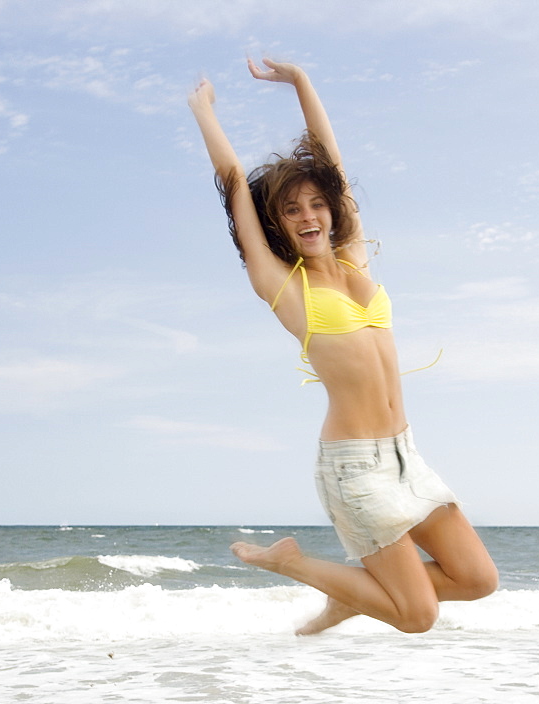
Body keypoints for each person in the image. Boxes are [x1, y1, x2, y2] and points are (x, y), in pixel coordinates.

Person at [188, 57, 497, 634]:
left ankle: (354, 594)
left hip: (406, 455)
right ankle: (293, 563)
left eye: (315, 204)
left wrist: (302, 82)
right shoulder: (283, 286)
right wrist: (203, 111)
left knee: (479, 580)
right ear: (277, 225)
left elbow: (331, 162)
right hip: (354, 468)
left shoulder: (355, 256)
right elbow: (233, 181)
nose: (307, 216)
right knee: (418, 616)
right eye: (290, 209)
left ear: (330, 209)